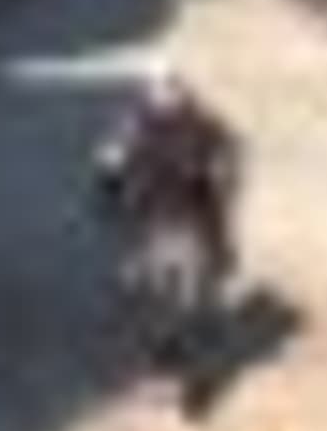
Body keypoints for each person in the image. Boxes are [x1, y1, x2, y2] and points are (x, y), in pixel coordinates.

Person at [94, 70, 242, 291]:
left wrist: (222, 168)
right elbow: (114, 150)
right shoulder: (135, 121)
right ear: (150, 93)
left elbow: (226, 144)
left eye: (173, 89)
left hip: (189, 182)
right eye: (163, 89)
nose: (169, 96)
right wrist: (111, 164)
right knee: (126, 208)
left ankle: (218, 259)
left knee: (213, 211)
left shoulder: (199, 121)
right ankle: (135, 258)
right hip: (150, 185)